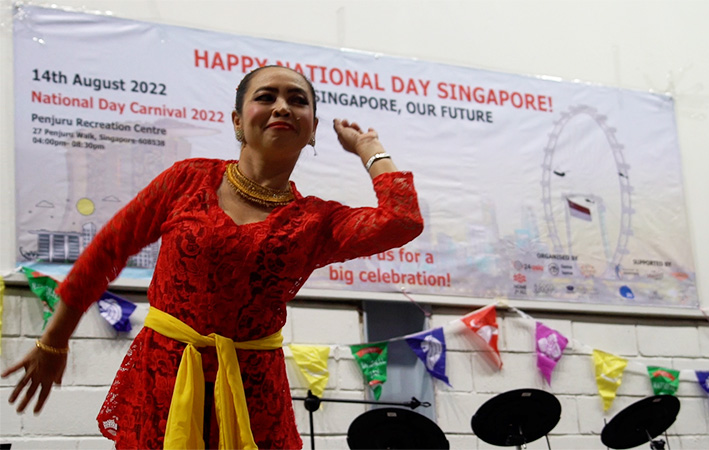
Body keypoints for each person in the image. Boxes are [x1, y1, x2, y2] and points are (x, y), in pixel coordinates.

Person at [2, 65, 424, 449]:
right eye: (266, 97)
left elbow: (402, 220)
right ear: (238, 121)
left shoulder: (317, 221)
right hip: (165, 375)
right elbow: (106, 251)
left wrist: (371, 150)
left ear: (312, 129)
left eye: (298, 100)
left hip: (253, 390)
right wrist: (54, 340)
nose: (282, 107)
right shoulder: (187, 179)